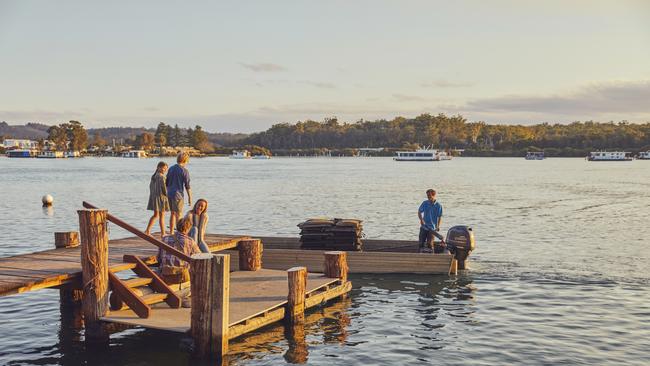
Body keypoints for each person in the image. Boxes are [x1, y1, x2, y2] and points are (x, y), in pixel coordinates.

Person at [166, 152, 192, 235]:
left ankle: (171, 232)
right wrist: (190, 197)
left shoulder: (171, 168)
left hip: (169, 193)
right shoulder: (184, 171)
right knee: (179, 214)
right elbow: (187, 186)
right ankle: (179, 232)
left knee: (172, 213)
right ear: (185, 160)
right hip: (178, 195)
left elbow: (166, 182)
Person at [144, 161, 169, 238]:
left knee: (156, 215)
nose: (164, 170)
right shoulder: (162, 177)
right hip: (161, 198)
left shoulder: (154, 176)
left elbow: (150, 187)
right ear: (158, 167)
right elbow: (164, 190)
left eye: (166, 169)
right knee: (161, 216)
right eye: (163, 168)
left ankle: (148, 230)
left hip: (154, 197)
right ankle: (163, 233)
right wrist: (168, 196)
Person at [417, 189, 446, 253]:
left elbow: (439, 217)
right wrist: (421, 220)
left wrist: (438, 226)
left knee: (430, 244)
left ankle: (432, 256)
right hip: (424, 227)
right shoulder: (425, 203)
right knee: (421, 243)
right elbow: (419, 212)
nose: (428, 197)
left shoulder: (438, 206)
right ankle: (419, 256)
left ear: (434, 195)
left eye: (429, 196)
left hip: (432, 228)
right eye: (427, 196)